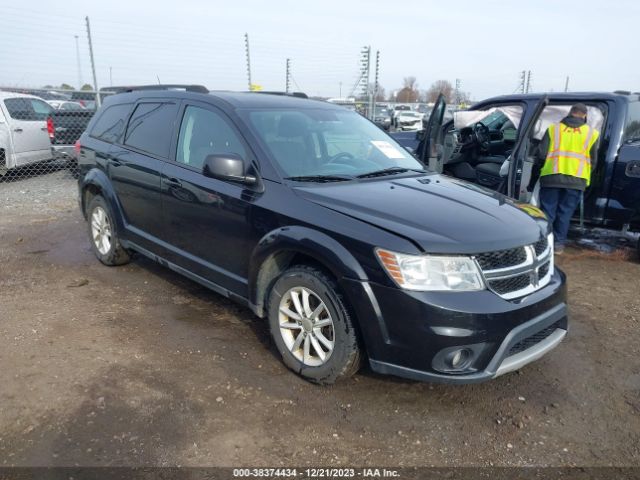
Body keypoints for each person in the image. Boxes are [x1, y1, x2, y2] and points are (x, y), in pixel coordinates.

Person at [535, 103, 599, 254]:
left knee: (548, 212)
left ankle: (544, 243)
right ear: (584, 115)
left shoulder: (553, 129)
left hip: (552, 177)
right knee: (565, 213)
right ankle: (558, 245)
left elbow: (541, 155)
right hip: (577, 180)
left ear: (570, 113)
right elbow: (594, 161)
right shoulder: (591, 133)